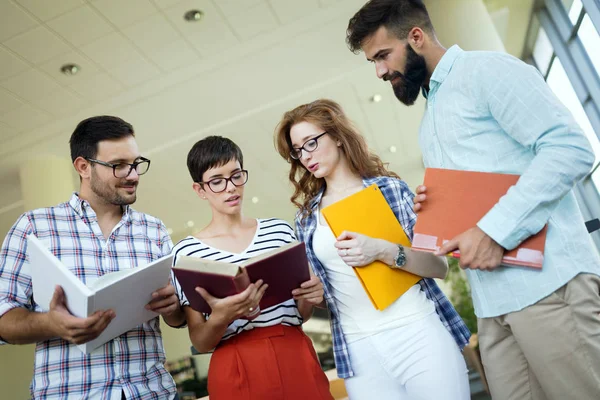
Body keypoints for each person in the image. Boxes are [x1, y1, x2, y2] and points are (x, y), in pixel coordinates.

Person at [346, 1, 600, 399]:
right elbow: (484, 185)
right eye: (372, 62)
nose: (379, 71)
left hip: (550, 287)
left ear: (416, 37)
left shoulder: (487, 71)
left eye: (382, 55)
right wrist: (436, 208)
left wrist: (493, 230)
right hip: (492, 305)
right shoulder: (431, 119)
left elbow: (570, 149)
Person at [274, 99, 470, 400]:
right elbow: (332, 294)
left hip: (417, 330)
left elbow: (438, 267)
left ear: (337, 136)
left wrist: (383, 251)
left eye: (311, 143)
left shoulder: (389, 191)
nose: (305, 156)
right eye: (298, 151)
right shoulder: (306, 219)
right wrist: (315, 295)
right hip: (358, 350)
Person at [0, 116, 185, 400]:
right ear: (83, 167)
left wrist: (173, 309)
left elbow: (179, 318)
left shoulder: (154, 230)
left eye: (135, 163)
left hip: (152, 392)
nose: (133, 175)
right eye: (119, 165)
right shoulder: (34, 228)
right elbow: (2, 317)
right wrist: (51, 323)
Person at [172, 136, 333, 400]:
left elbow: (300, 314)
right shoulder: (186, 253)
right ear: (200, 190)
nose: (230, 188)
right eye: (217, 181)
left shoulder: (279, 232)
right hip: (233, 360)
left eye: (236, 176)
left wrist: (310, 295)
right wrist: (222, 316)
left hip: (293, 351)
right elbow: (200, 340)